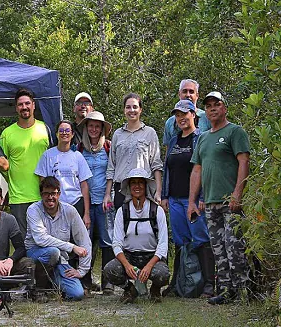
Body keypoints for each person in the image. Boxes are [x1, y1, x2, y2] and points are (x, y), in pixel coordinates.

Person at [188, 91, 250, 305]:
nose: (213, 108)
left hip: (230, 201)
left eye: (217, 104)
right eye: (209, 106)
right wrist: (191, 202)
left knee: (234, 247)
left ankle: (244, 291)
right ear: (205, 111)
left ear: (224, 108)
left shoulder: (235, 132)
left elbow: (243, 162)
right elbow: (197, 170)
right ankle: (226, 291)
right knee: (218, 248)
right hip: (210, 203)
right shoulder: (203, 137)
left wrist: (237, 194)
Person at [161, 100, 215, 298]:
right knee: (180, 241)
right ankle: (178, 283)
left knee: (201, 239)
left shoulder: (201, 138)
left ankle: (209, 284)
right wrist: (165, 195)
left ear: (194, 114)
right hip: (175, 199)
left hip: (193, 200)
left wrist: (201, 196)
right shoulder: (174, 140)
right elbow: (167, 168)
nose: (181, 118)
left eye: (185, 114)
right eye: (177, 115)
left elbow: (205, 169)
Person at [103, 168, 169, 304]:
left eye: (140, 183)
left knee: (162, 274)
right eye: (133, 183)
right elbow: (116, 243)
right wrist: (127, 266)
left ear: (146, 186)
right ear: (128, 187)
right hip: (130, 256)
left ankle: (155, 290)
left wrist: (149, 266)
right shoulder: (123, 211)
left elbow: (163, 245)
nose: (137, 186)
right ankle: (129, 289)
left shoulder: (157, 211)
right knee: (109, 269)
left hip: (152, 256)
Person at [25, 176, 91, 301]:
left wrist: (82, 270)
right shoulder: (33, 210)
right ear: (41, 194)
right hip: (36, 254)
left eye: (53, 193)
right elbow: (41, 239)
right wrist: (72, 247)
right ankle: (38, 288)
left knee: (77, 294)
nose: (50, 197)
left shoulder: (70, 211)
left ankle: (53, 283)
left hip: (60, 259)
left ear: (59, 194)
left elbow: (84, 241)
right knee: (52, 252)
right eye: (46, 194)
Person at [0, 88, 51, 235]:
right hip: (18, 198)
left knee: (44, 238)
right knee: (22, 243)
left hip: (43, 195)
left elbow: (54, 159)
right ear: (16, 108)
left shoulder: (45, 129)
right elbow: (3, 165)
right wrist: (12, 182)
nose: (24, 107)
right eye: (20, 104)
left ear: (33, 105)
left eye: (27, 103)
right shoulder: (7, 134)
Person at [104, 93, 163, 211]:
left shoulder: (149, 133)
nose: (132, 110)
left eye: (135, 107)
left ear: (140, 109)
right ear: (124, 110)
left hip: (143, 188)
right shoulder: (117, 134)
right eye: (128, 107)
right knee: (122, 226)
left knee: (145, 227)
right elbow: (111, 166)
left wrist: (158, 192)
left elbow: (156, 165)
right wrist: (107, 195)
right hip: (121, 189)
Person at [78, 111, 115, 295]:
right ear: (86, 128)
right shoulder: (79, 149)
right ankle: (86, 281)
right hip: (85, 202)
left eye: (97, 126)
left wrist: (108, 195)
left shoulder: (107, 147)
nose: (93, 129)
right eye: (90, 125)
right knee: (85, 241)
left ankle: (107, 282)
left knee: (107, 240)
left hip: (104, 201)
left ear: (102, 129)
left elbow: (111, 172)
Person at [35, 120, 92, 227]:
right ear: (56, 134)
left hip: (76, 203)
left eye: (67, 130)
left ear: (72, 134)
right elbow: (42, 183)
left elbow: (84, 185)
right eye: (61, 130)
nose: (64, 133)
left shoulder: (78, 156)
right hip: (55, 205)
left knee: (77, 240)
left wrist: (87, 213)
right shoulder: (47, 155)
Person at [163, 79, 211, 147]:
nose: (188, 95)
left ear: (197, 95)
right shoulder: (170, 122)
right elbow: (168, 150)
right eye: (184, 91)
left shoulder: (207, 117)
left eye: (191, 92)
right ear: (179, 94)